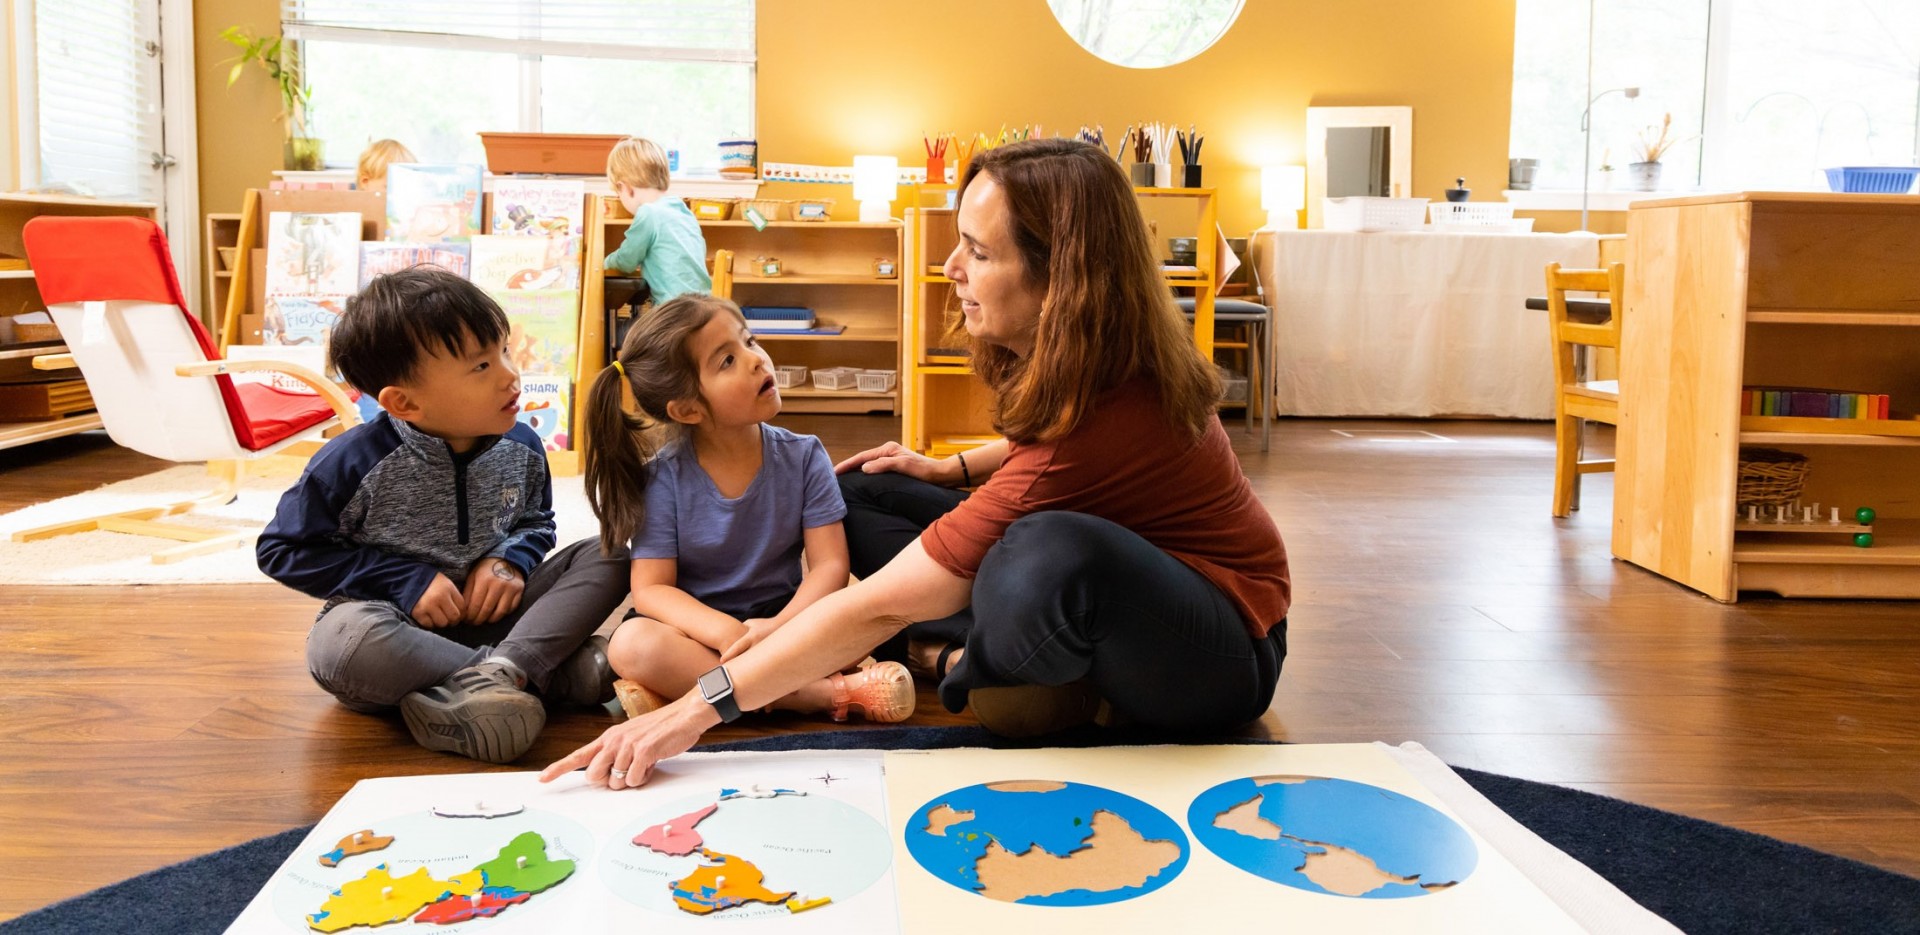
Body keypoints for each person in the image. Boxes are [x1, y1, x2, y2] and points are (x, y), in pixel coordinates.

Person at [541, 138, 1290, 790]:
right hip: (1136, 585)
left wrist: (692, 710)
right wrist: (952, 468)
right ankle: (984, 656)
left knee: (1043, 555)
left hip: (1226, 649)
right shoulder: (1096, 358)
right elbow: (1054, 447)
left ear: (1061, 280)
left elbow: (878, 600)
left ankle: (975, 665)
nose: (951, 264)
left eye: (981, 251)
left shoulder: (1118, 407)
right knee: (867, 486)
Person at [258, 267, 631, 764]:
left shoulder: (522, 446)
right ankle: (539, 675)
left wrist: (509, 562)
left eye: (503, 350)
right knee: (342, 644)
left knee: (611, 552)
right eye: (481, 367)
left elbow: (535, 522)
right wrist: (404, 581)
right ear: (404, 402)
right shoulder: (348, 464)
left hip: (499, 620)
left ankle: (500, 676)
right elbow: (281, 550)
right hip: (397, 634)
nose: (509, 374)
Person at [579, 292, 914, 724]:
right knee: (631, 645)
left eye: (750, 341)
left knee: (865, 614)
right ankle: (816, 696)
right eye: (727, 361)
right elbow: (652, 590)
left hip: (786, 626)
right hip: (698, 638)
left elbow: (831, 567)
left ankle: (701, 695)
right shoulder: (661, 479)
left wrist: (777, 628)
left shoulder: (805, 456)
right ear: (686, 409)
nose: (757, 359)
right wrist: (728, 634)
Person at [603, 136, 712, 305]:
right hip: (703, 306)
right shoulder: (681, 209)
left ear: (625, 188)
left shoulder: (648, 213)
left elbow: (626, 261)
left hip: (674, 311)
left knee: (631, 329)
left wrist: (604, 262)